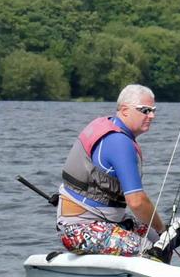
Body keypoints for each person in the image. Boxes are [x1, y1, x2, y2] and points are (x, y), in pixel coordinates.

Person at [56, 84, 165, 256]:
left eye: (153, 110)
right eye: (145, 110)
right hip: (80, 230)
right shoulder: (119, 142)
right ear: (124, 110)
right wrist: (163, 229)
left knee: (158, 240)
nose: (152, 116)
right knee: (154, 250)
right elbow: (136, 202)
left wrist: (159, 234)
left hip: (103, 220)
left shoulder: (107, 125)